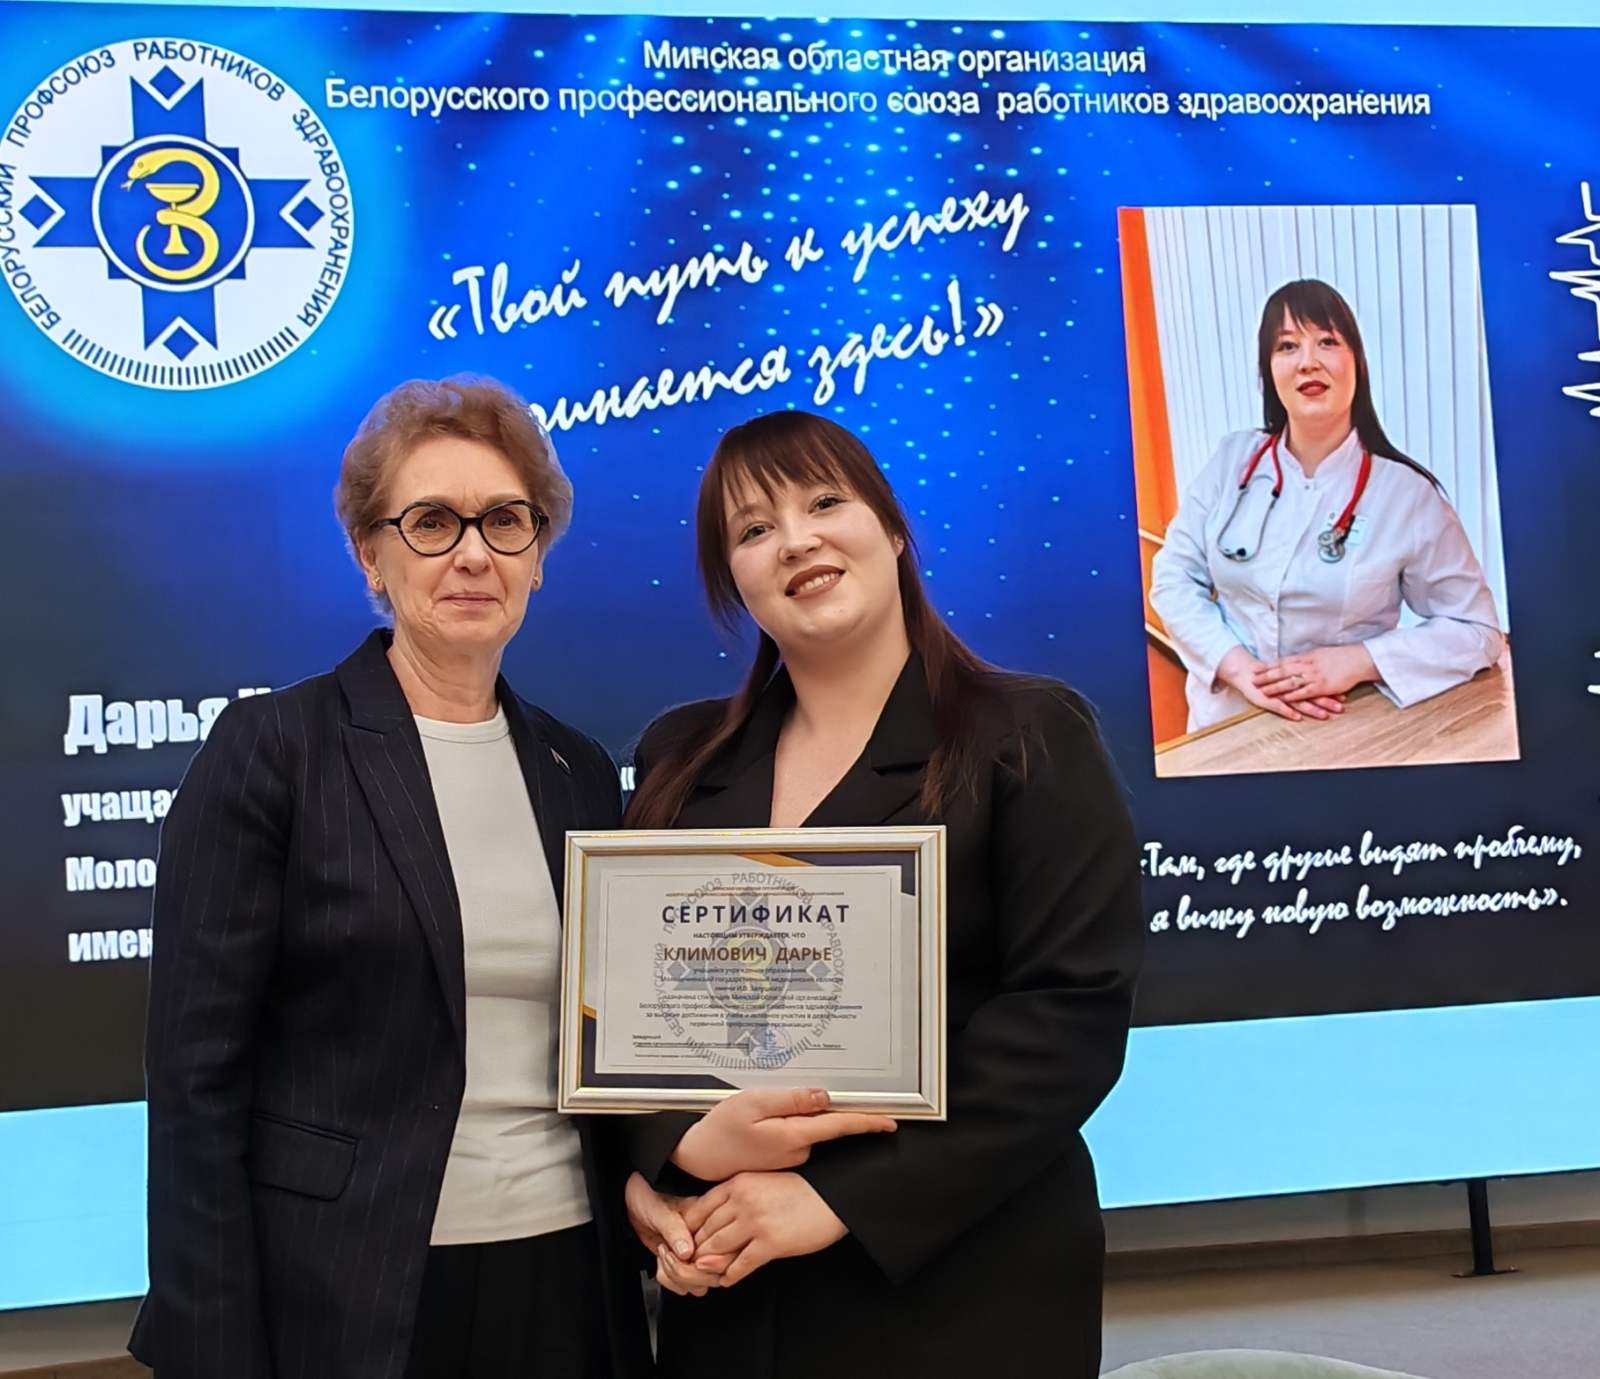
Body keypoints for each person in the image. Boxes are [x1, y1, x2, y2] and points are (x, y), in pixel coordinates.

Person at [131, 378, 651, 1379]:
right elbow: (195, 1084)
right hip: (350, 1286)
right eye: (431, 521)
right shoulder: (274, 749)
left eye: (505, 521)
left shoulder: (577, 768)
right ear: (369, 553)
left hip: (568, 1275)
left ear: (538, 555)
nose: (473, 553)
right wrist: (211, 1346)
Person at [618, 410, 1145, 1379]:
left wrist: (838, 1199)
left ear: (892, 529)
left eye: (825, 502)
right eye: (754, 528)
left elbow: (1069, 1015)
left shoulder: (1028, 735)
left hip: (962, 1286)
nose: (796, 540)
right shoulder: (678, 760)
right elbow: (622, 1009)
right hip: (730, 1284)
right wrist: (663, 1158)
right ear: (732, 579)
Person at [1149, 278, 1504, 733]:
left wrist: (1360, 660)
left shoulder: (1408, 496)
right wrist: (1238, 668)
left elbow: (1477, 631)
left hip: (1345, 727)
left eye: (1327, 342)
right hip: (1226, 724)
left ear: (1357, 361)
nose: (1308, 362)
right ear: (1268, 371)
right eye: (1287, 346)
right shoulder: (1231, 460)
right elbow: (1174, 577)